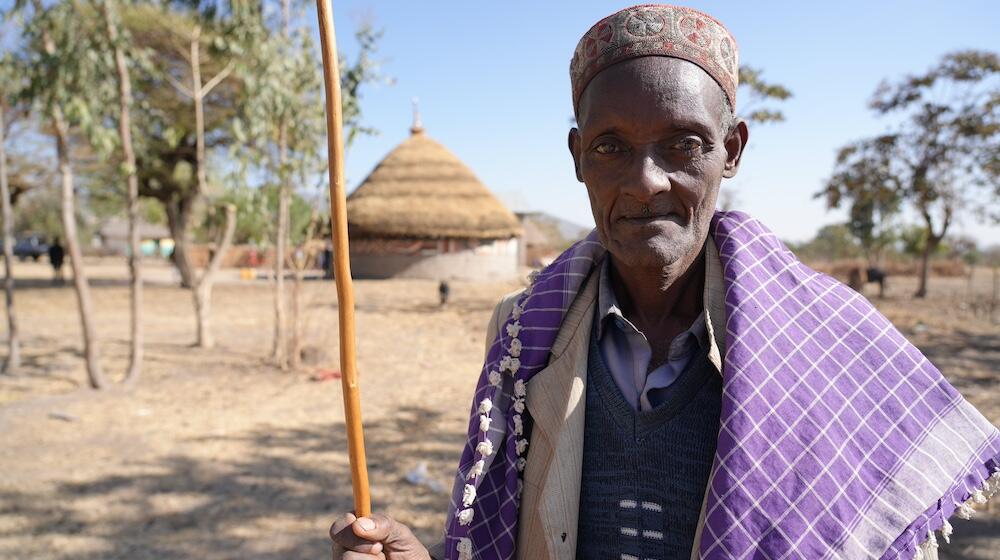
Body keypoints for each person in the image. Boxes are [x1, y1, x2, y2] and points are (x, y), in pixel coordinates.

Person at [331, 5, 1000, 560]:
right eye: (611, 147)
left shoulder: (825, 345)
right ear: (577, 157)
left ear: (732, 150)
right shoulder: (523, 336)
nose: (645, 181)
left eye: (683, 144)